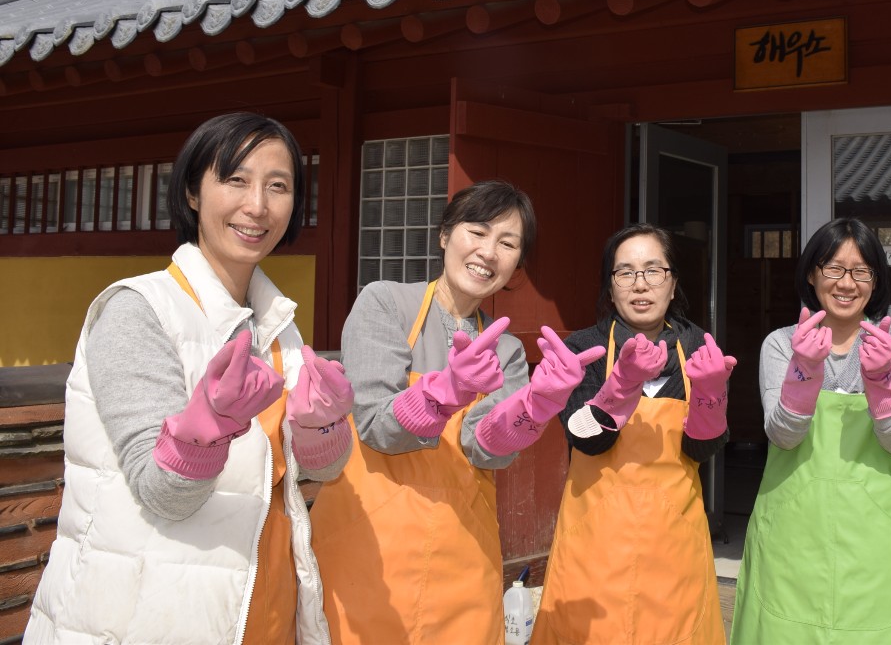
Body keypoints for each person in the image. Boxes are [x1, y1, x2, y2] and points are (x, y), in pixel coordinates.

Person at [25, 112, 354, 645]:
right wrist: (208, 428)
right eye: (237, 180)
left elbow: (324, 470)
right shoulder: (138, 310)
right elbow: (164, 494)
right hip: (149, 615)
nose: (258, 206)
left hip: (263, 607)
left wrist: (325, 427)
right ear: (193, 193)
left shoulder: (278, 325)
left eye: (279, 186)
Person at [309, 180, 604, 644]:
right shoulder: (384, 303)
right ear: (446, 235)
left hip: (461, 551)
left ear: (516, 266)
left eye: (508, 243)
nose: (489, 252)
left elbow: (485, 448)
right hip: (367, 548)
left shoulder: (505, 349)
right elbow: (373, 425)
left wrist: (537, 406)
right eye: (477, 231)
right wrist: (445, 391)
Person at [532, 223, 735, 645]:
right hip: (596, 542)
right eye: (625, 272)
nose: (640, 284)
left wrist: (711, 398)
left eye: (653, 270)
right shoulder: (584, 349)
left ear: (673, 282)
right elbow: (585, 439)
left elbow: (703, 448)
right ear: (610, 288)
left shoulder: (698, 346)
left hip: (674, 541)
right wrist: (619, 387)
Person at [731, 216, 891, 645]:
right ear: (812, 274)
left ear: (875, 281)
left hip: (872, 538)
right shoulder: (783, 344)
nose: (847, 282)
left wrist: (881, 383)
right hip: (792, 537)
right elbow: (783, 435)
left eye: (861, 271)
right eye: (834, 268)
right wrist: (804, 371)